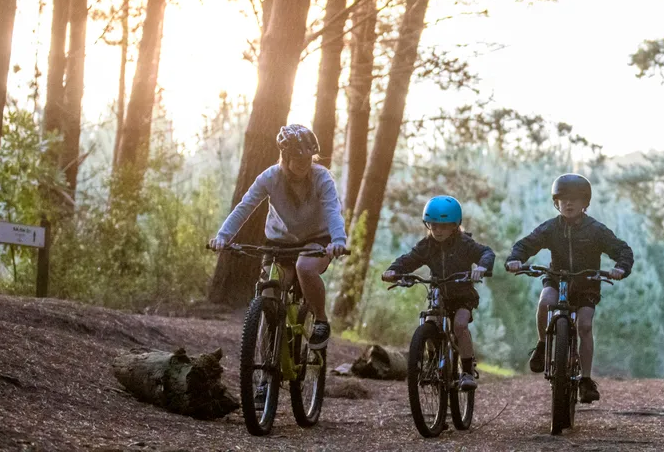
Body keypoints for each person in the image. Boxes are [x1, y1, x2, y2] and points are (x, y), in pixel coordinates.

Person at [210, 124, 348, 349]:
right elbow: (245, 207)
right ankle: (267, 360)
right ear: (285, 156)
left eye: (308, 158)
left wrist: (338, 241)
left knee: (304, 267)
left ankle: (321, 320)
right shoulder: (270, 177)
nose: (305, 164)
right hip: (280, 241)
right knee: (270, 287)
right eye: (298, 159)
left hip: (318, 238)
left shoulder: (321, 177)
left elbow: (333, 210)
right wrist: (223, 236)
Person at [505, 173, 633, 404]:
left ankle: (585, 379)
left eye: (575, 199)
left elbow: (622, 250)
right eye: (563, 200)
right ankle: (543, 345)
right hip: (557, 279)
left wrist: (621, 268)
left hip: (586, 284)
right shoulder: (550, 228)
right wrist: (515, 258)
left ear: (585, 203)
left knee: (584, 325)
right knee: (545, 302)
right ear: (556, 203)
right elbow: (526, 244)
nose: (569, 204)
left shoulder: (595, 230)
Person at [381, 196, 495, 391]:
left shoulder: (464, 244)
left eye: (443, 226)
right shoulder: (426, 246)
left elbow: (487, 253)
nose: (438, 230)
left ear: (454, 225)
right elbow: (409, 260)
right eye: (433, 226)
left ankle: (467, 371)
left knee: (460, 326)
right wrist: (394, 270)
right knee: (429, 323)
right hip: (439, 295)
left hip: (462, 295)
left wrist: (482, 267)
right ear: (428, 225)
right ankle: (433, 362)